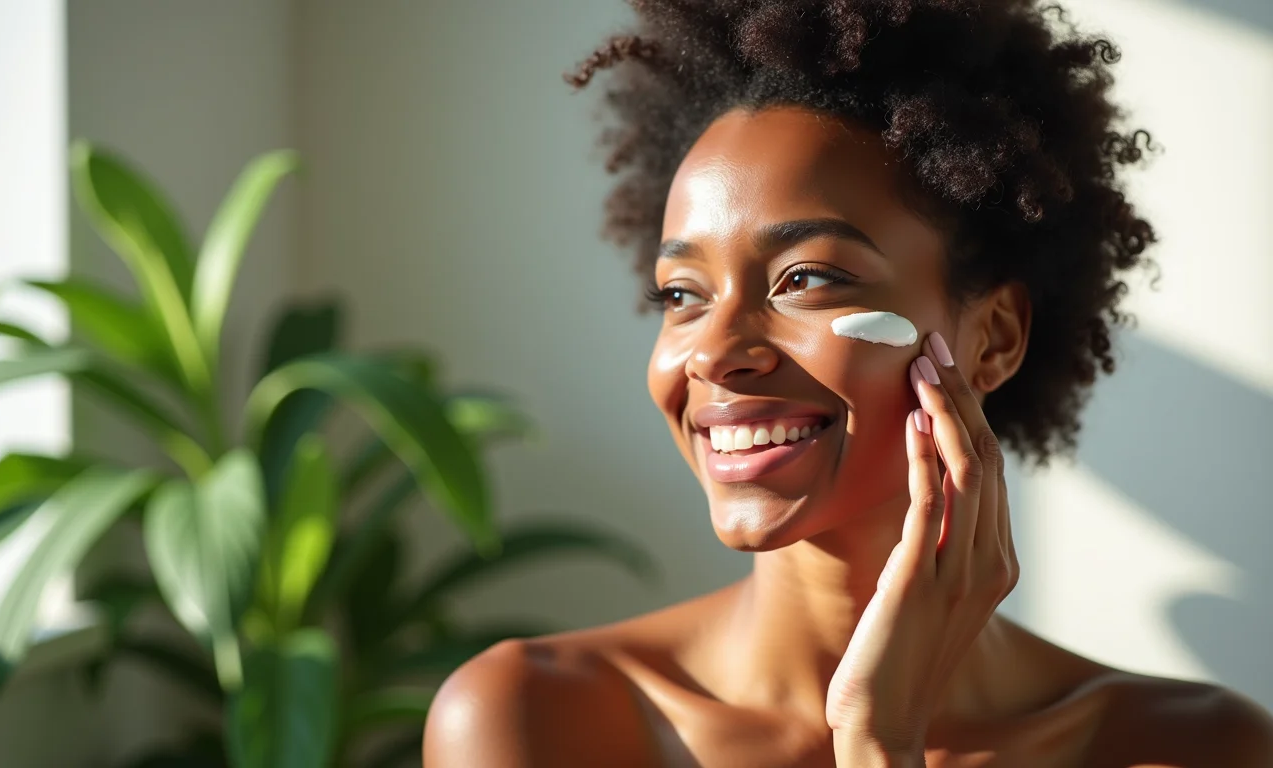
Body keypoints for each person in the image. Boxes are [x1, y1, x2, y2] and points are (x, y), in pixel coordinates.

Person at [423, 1, 1273, 765]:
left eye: (807, 278)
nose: (713, 353)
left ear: (994, 338)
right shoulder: (531, 719)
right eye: (682, 295)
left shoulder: (1183, 747)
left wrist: (879, 741)